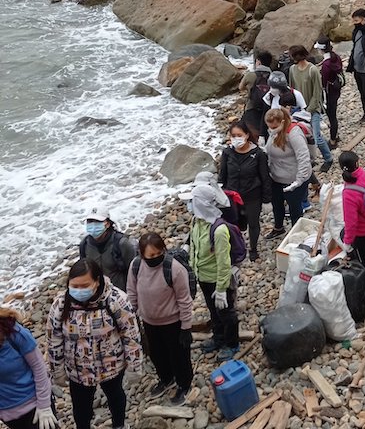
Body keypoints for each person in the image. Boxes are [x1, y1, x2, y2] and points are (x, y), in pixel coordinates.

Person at [47, 259, 143, 429]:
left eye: (84, 285)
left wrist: (134, 367)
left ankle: (119, 425)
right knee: (81, 408)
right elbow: (54, 340)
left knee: (115, 397)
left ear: (97, 281)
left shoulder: (116, 300)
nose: (79, 290)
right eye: (74, 285)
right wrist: (58, 371)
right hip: (78, 370)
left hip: (111, 367)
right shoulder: (61, 305)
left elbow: (131, 335)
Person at [126, 233, 193, 405]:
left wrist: (186, 328)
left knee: (179, 356)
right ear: (142, 255)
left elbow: (184, 300)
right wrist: (132, 319)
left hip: (173, 322)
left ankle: (184, 385)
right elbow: (132, 293)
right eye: (150, 256)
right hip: (149, 322)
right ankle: (166, 379)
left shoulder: (174, 269)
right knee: (157, 354)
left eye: (158, 254)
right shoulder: (135, 266)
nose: (155, 258)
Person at [186, 182, 239, 361]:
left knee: (226, 311)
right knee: (213, 310)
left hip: (218, 279)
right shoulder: (197, 221)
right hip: (203, 277)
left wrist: (222, 288)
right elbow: (194, 246)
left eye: (193, 201)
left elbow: (224, 262)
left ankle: (232, 343)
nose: (190, 204)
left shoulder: (219, 230)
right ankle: (218, 338)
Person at [219, 120, 272, 261]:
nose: (236, 138)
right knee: (233, 224)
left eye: (239, 135)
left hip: (252, 196)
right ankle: (235, 247)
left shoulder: (258, 154)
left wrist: (267, 200)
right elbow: (222, 175)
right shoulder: (227, 153)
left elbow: (265, 177)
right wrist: (219, 194)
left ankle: (253, 248)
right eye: (233, 135)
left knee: (253, 224)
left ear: (247, 135)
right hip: (232, 196)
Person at [0, 308, 57, 429]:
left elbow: (39, 367)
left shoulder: (13, 332)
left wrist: (44, 406)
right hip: (8, 415)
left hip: (35, 407)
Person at [264, 108, 313, 236]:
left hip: (293, 179)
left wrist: (299, 180)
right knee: (277, 204)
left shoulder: (294, 134)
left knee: (294, 208)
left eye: (274, 126)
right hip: (276, 177)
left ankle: (297, 233)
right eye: (269, 127)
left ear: (282, 122)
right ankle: (278, 228)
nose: (272, 129)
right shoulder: (274, 132)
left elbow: (303, 157)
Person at [288, 45, 333, 173]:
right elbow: (292, 89)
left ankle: (328, 158)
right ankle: (310, 159)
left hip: (313, 109)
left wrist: (308, 110)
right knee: (305, 136)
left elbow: (317, 93)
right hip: (298, 109)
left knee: (317, 137)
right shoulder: (292, 69)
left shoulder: (312, 70)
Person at [79, 205, 136, 292]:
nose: (93, 225)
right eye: (90, 221)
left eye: (97, 221)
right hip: (97, 296)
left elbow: (135, 272)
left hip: (121, 294)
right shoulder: (84, 245)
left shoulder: (121, 243)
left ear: (108, 224)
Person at [316, 35, 344, 149]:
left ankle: (333, 140)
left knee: (331, 116)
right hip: (336, 89)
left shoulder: (326, 64)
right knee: (333, 114)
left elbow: (323, 82)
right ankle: (335, 135)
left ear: (321, 49)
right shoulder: (335, 57)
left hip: (329, 91)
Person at [238, 50, 272, 138]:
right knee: (266, 133)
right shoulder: (273, 76)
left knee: (250, 134)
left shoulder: (250, 75)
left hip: (252, 107)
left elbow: (240, 87)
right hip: (268, 109)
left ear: (259, 62)